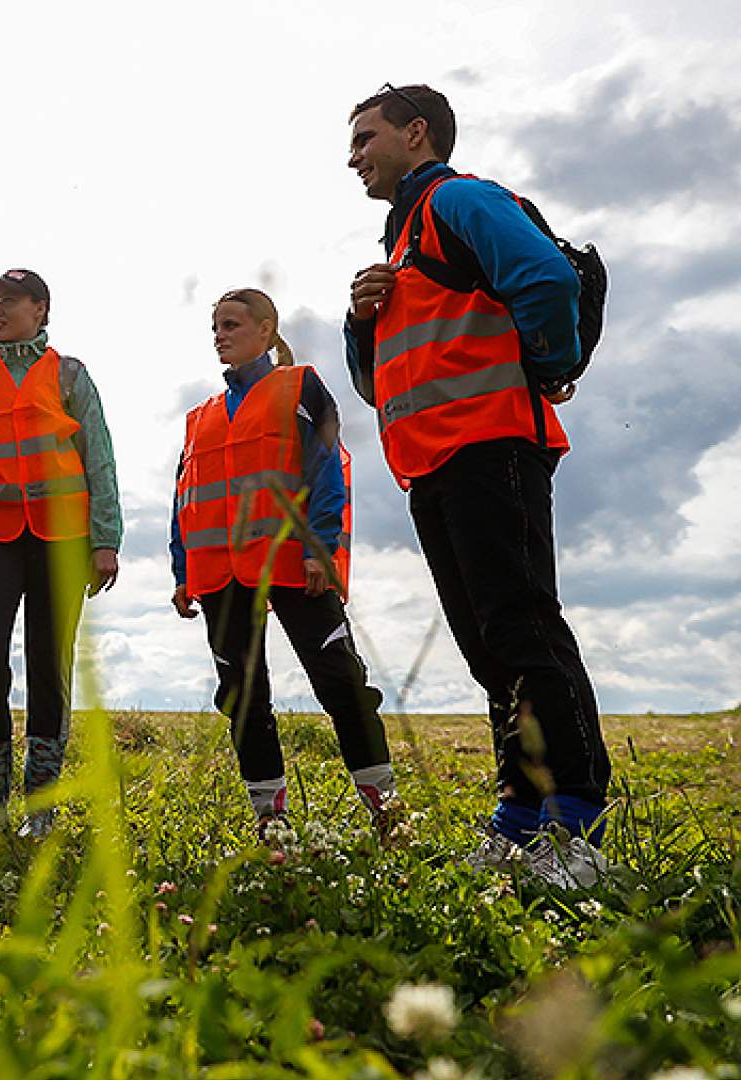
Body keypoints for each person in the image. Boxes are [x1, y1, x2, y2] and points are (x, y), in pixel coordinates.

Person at [343, 84, 610, 885]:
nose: (353, 157)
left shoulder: (460, 200)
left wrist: (553, 366)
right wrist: (362, 322)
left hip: (492, 447)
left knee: (523, 630)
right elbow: (374, 386)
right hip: (433, 462)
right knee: (492, 647)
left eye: (366, 138)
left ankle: (578, 833)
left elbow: (547, 281)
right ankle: (523, 820)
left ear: (416, 133)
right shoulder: (400, 249)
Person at [171, 288, 396, 840]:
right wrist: (182, 572)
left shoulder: (302, 388)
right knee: (244, 698)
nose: (220, 334)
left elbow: (326, 472)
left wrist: (321, 548)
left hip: (294, 561)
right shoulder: (199, 416)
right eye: (215, 326)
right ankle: (272, 823)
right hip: (219, 571)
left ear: (267, 330)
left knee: (342, 682)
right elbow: (183, 497)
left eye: (232, 324)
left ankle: (387, 812)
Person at [0, 268, 121, 838]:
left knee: (49, 665)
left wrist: (104, 538)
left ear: (41, 308)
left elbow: (99, 456)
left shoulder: (70, 375)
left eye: (9, 300)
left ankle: (41, 807)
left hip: (62, 539)